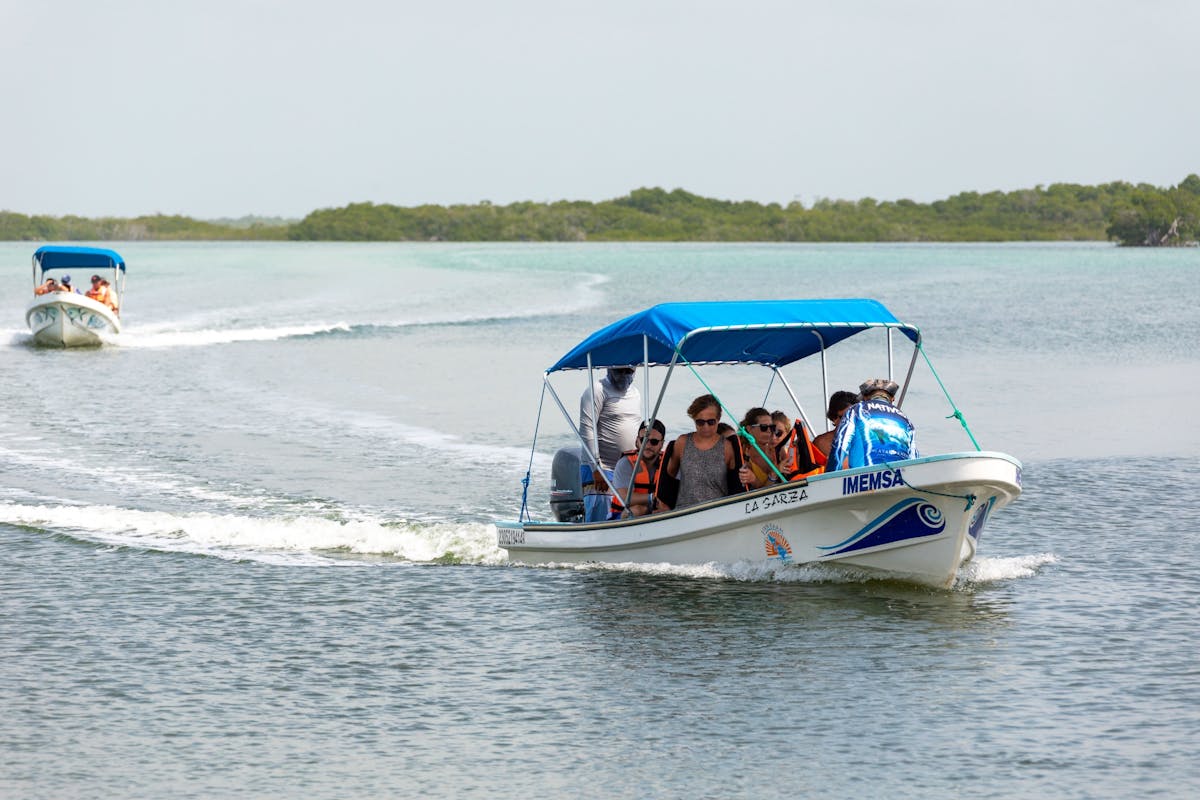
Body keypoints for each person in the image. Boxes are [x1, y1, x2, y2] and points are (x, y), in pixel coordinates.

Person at [665, 394, 736, 509]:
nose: (706, 426)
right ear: (694, 420)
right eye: (700, 422)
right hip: (684, 511)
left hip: (718, 511)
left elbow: (734, 482)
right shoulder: (682, 443)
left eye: (711, 422)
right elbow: (670, 474)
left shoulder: (727, 447)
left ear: (718, 420)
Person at [828, 379, 916, 470]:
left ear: (865, 397)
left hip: (863, 478)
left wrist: (829, 476)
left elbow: (840, 446)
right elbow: (913, 459)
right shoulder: (906, 420)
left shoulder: (856, 410)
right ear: (892, 399)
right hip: (899, 478)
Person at [579, 366, 642, 473]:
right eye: (619, 371)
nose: (623, 375)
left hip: (627, 468)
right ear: (610, 368)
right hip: (601, 469)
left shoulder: (635, 393)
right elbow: (587, 429)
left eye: (628, 371)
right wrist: (596, 468)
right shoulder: (598, 389)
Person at [609, 419, 668, 518]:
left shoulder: (668, 463)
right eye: (643, 440)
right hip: (621, 515)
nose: (648, 445)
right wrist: (652, 498)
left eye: (654, 442)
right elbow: (624, 497)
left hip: (656, 511)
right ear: (637, 441)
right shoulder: (625, 463)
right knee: (638, 510)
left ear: (662, 444)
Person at [737, 407, 785, 489]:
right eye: (764, 427)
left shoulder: (778, 449)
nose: (769, 431)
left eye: (771, 427)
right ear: (749, 429)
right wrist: (774, 473)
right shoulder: (743, 454)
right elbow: (761, 491)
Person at [812, 391, 859, 464]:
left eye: (855, 416)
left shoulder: (869, 439)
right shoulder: (821, 443)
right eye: (846, 417)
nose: (852, 421)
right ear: (834, 418)